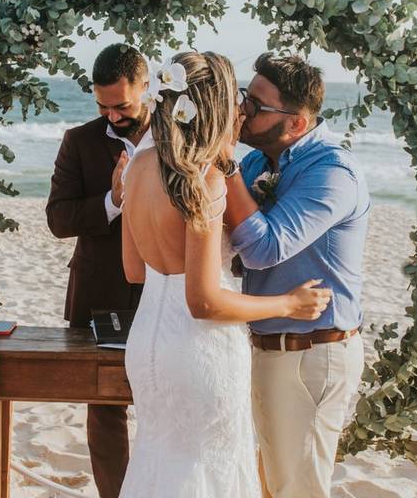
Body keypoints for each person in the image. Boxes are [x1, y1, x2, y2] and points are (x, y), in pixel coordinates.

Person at [118, 51, 331, 497]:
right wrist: (289, 303)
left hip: (147, 346)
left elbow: (134, 271)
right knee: (205, 467)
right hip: (199, 350)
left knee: (158, 458)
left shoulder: (137, 168)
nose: (241, 110)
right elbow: (203, 301)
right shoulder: (204, 180)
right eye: (236, 98)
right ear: (215, 106)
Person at [220, 53, 371, 498]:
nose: (243, 110)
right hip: (269, 346)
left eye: (257, 106)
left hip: (311, 352)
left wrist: (223, 163)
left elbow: (264, 249)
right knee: (271, 485)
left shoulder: (331, 173)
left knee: (298, 489)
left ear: (297, 124)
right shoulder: (257, 164)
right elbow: (234, 246)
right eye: (246, 97)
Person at [45, 43, 153, 498]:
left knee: (162, 401)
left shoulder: (178, 135)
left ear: (146, 88)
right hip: (99, 293)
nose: (112, 116)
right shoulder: (79, 141)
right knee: (105, 408)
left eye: (122, 105)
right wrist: (113, 201)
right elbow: (58, 219)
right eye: (103, 106)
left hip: (164, 291)